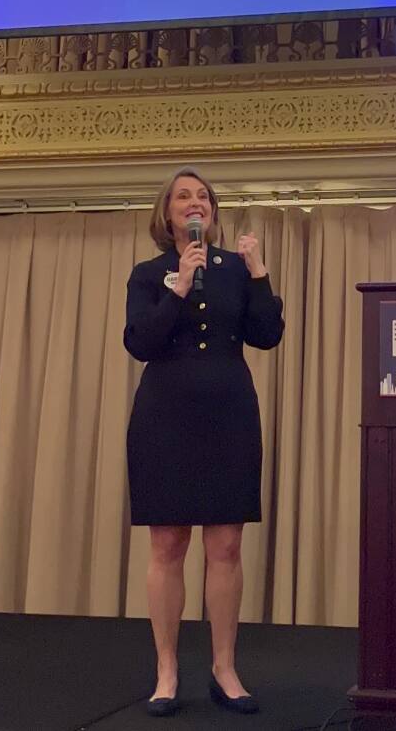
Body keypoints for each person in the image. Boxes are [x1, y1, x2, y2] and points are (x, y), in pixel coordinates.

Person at [124, 166, 284, 717]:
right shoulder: (149, 274)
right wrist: (180, 288)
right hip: (164, 419)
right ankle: (167, 670)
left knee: (227, 547)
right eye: (183, 197)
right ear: (167, 214)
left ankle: (224, 667)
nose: (196, 203)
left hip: (229, 417)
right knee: (168, 546)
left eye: (204, 197)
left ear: (212, 212)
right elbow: (140, 342)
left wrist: (259, 272)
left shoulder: (238, 270)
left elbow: (267, 334)